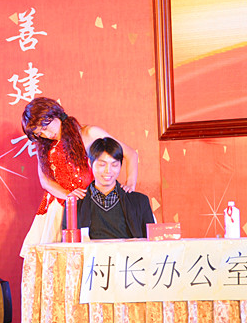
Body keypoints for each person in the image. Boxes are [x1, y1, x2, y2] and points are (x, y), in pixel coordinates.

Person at [20, 97, 138, 256]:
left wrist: (130, 183)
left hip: (88, 206)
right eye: (39, 133)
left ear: (55, 114)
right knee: (55, 262)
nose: (47, 135)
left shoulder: (88, 133)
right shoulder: (44, 147)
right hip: (57, 209)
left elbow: (130, 153)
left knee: (90, 258)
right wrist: (68, 195)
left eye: (46, 127)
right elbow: (45, 181)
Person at [74, 137, 154, 239]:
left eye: (114, 165)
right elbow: (68, 245)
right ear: (90, 163)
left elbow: (151, 243)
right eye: (102, 164)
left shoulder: (139, 202)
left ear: (120, 165)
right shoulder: (76, 203)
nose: (108, 171)